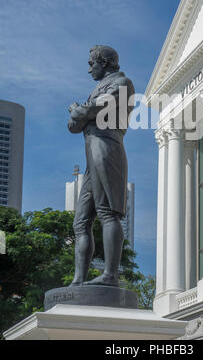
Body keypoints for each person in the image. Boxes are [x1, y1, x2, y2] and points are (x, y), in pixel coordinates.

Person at [68, 45, 135, 287]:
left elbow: (87, 111)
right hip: (91, 154)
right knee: (81, 222)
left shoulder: (122, 83)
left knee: (108, 213)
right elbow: (74, 125)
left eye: (91, 64)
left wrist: (78, 110)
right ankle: (78, 281)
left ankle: (110, 276)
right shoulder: (98, 88)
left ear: (105, 63)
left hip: (107, 148)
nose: (88, 69)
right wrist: (79, 113)